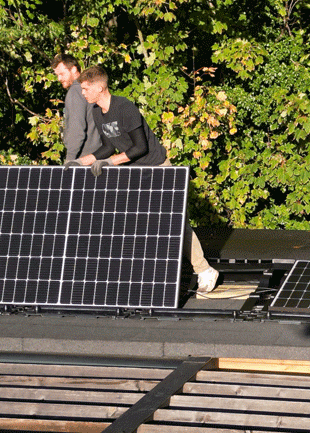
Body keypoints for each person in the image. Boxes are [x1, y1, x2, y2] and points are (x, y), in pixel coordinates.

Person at [68, 65, 219, 294]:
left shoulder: (125, 108)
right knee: (137, 224)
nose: (83, 93)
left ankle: (205, 271)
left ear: (100, 87)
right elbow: (107, 146)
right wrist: (81, 161)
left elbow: (140, 147)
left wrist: (109, 163)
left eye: (86, 89)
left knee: (175, 224)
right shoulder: (97, 113)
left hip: (158, 169)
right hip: (135, 173)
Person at [51, 54, 102, 161]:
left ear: (74, 70)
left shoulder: (75, 92)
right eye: (57, 75)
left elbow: (77, 130)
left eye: (62, 74)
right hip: (98, 156)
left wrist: (69, 160)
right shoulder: (90, 89)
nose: (59, 78)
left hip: (83, 160)